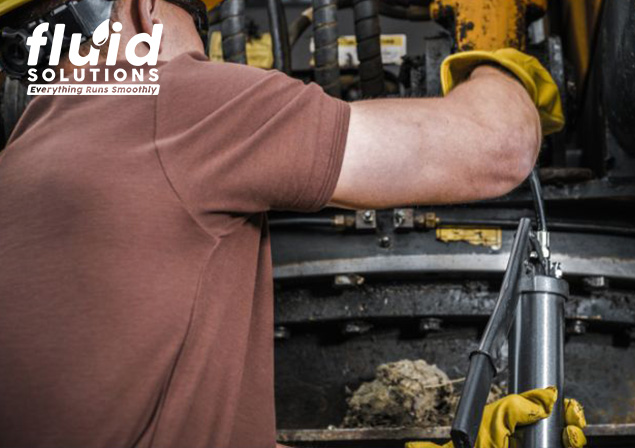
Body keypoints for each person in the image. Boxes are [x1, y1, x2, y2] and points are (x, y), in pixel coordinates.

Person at [0, 0, 586, 446]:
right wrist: (503, 64)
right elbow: (496, 148)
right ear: (138, 8)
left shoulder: (19, 166)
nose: (203, 62)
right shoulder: (168, 105)